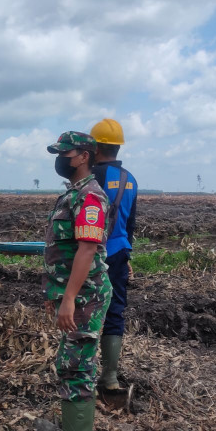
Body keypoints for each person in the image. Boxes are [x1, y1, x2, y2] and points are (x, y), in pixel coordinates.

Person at [41, 131, 112, 431]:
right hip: (75, 294)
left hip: (86, 295)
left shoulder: (91, 198)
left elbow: (86, 250)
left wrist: (70, 297)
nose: (59, 159)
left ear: (83, 155)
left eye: (64, 153)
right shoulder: (74, 194)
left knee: (75, 365)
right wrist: (58, 295)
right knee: (71, 362)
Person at [89, 118, 138, 395]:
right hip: (119, 251)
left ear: (95, 147)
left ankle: (83, 373)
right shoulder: (130, 179)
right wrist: (127, 255)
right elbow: (131, 223)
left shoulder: (89, 177)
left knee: (85, 309)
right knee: (115, 311)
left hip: (91, 252)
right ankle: (110, 378)